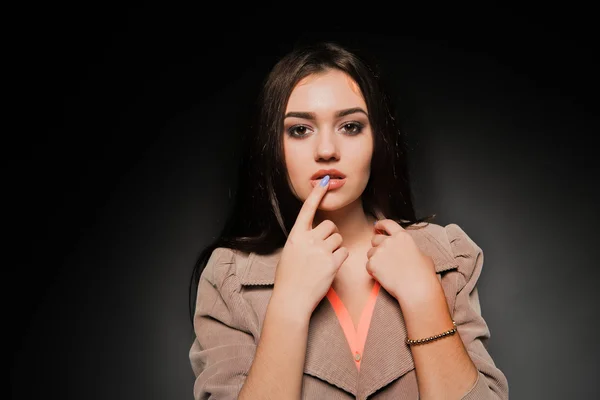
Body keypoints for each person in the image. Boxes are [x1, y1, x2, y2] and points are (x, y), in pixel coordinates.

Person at [188, 41, 509, 399]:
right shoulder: (229, 276)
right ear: (272, 145)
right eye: (299, 130)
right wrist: (289, 306)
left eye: (351, 126)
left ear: (378, 140)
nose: (327, 151)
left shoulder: (448, 256)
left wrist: (423, 300)